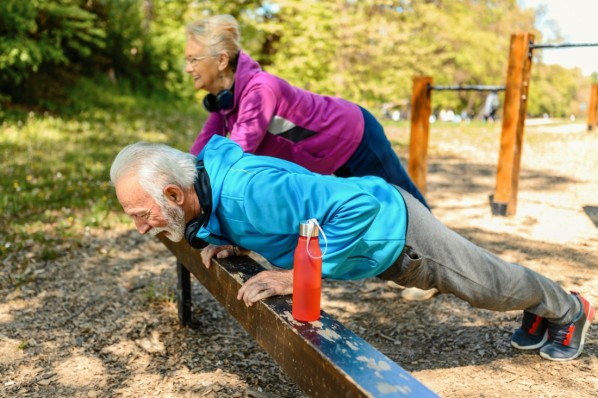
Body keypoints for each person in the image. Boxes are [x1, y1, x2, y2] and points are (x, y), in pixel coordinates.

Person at [111, 136, 594, 362]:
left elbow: (357, 207)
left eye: (141, 213)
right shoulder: (211, 193)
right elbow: (279, 210)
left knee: (489, 288)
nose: (140, 227)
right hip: (372, 249)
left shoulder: (248, 191)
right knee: (492, 287)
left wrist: (299, 278)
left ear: (175, 194)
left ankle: (569, 308)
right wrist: (228, 238)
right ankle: (543, 307)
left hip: (396, 232)